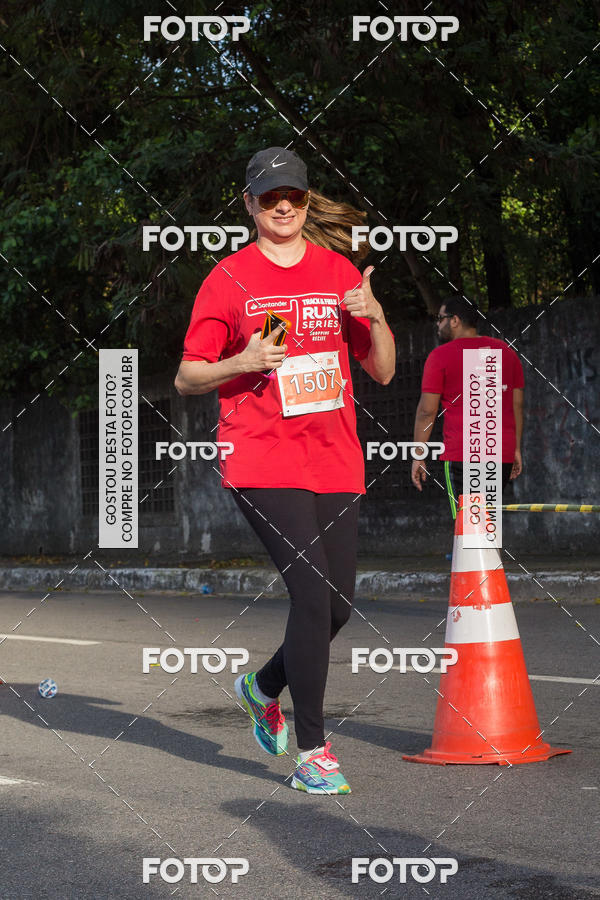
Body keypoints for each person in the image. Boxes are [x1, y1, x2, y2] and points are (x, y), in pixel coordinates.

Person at [174, 147, 395, 794]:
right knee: (310, 595)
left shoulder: (337, 273)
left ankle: (262, 686)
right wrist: (242, 362)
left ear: (304, 200)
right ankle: (313, 752)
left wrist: (376, 315)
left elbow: (380, 369)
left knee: (339, 604)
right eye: (270, 198)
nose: (283, 207)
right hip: (262, 455)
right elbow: (187, 375)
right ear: (249, 204)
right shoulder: (228, 280)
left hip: (334, 457)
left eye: (293, 197)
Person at [411, 294, 524, 517]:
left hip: (463, 453)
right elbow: (516, 406)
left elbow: (427, 411)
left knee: (469, 523)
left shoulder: (440, 356)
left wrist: (418, 454)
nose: (437, 324)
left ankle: (470, 552)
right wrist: (516, 449)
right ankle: (492, 553)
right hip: (499, 451)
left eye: (440, 318)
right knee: (488, 520)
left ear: (454, 320)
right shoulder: (507, 353)